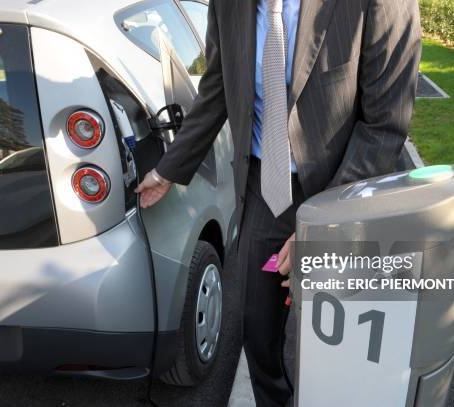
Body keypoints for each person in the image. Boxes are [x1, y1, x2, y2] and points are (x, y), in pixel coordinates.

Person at [135, 0, 421, 405]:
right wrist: (167, 170)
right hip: (263, 186)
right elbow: (218, 86)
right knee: (257, 330)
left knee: (335, 341)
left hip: (341, 189)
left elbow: (385, 123)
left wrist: (325, 227)